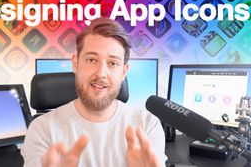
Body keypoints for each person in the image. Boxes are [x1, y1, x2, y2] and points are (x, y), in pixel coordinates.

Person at [21, 17, 167, 167]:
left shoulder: (147, 126)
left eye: (113, 63)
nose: (101, 73)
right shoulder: (42, 129)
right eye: (91, 60)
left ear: (124, 72)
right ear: (76, 64)